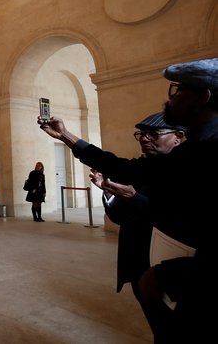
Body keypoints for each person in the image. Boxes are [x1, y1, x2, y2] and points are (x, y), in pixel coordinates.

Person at [38, 57, 218, 342]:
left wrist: (172, 274)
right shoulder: (194, 147)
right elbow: (128, 169)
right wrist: (66, 136)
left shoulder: (209, 147)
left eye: (178, 90)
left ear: (203, 97)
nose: (170, 98)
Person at [90, 112, 185, 317]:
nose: (144, 138)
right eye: (141, 133)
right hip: (137, 263)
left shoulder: (189, 170)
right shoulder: (139, 169)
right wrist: (108, 192)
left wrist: (134, 198)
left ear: (178, 137)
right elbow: (120, 217)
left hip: (173, 265)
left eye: (153, 133)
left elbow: (180, 218)